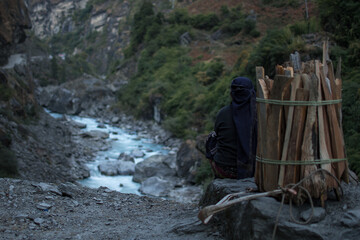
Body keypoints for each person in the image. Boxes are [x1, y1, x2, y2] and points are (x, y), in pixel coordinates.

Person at [209, 77, 257, 179]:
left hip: (224, 170)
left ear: (232, 94)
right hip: (253, 170)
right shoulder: (260, 115)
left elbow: (214, 138)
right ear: (252, 93)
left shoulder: (223, 113)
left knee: (211, 139)